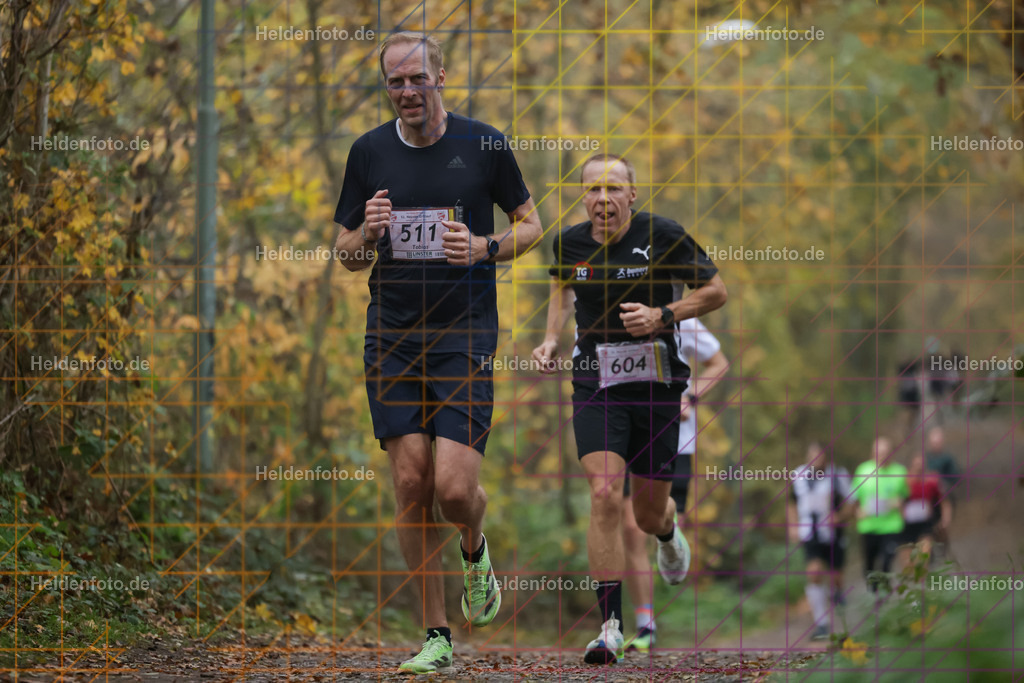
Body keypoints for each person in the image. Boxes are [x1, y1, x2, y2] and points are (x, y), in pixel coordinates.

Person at [333, 31, 542, 674]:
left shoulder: (484, 144)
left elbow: (532, 224)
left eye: (416, 79)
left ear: (441, 76)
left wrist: (486, 249)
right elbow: (343, 254)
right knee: (410, 482)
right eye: (394, 82)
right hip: (392, 336)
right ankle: (436, 634)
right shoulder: (368, 152)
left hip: (465, 335)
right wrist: (365, 233)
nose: (406, 92)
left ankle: (475, 552)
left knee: (453, 491)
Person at [531, 153, 727, 664]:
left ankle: (668, 529)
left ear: (631, 195)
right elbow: (561, 289)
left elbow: (715, 290)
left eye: (613, 189)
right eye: (592, 190)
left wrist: (665, 313)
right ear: (583, 197)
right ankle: (610, 627)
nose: (602, 200)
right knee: (602, 493)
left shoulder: (663, 235)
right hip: (597, 381)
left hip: (658, 387)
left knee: (645, 514)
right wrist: (551, 340)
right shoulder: (568, 245)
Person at [619, 318, 729, 653]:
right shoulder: (618, 317)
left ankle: (668, 536)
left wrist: (690, 396)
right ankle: (645, 625)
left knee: (655, 521)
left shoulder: (682, 318)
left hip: (676, 441)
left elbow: (719, 363)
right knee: (632, 529)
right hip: (632, 438)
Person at [787, 442, 853, 640]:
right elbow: (791, 503)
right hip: (810, 532)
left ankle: (837, 592)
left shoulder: (838, 475)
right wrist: (793, 525)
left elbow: (852, 503)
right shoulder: (798, 475)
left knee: (836, 577)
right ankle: (822, 624)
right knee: (814, 572)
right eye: (813, 456)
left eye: (820, 456)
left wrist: (840, 517)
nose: (816, 460)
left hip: (833, 533)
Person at [850, 437, 908, 594]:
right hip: (869, 526)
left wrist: (900, 503)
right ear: (872, 453)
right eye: (879, 452)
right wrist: (857, 512)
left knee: (886, 560)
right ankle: (872, 592)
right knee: (869, 563)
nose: (882, 456)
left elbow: (905, 497)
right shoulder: (862, 470)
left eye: (885, 452)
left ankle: (884, 591)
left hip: (891, 525)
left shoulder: (900, 472)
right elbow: (853, 498)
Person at [902, 454, 952, 558]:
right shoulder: (905, 481)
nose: (919, 468)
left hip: (925, 523)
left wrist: (945, 519)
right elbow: (898, 501)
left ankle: (940, 554)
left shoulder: (932, 481)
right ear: (911, 466)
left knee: (924, 553)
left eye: (921, 465)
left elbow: (944, 501)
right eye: (916, 465)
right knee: (909, 560)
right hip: (908, 524)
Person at [923, 426, 959, 554]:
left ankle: (943, 549)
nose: (935, 445)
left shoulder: (947, 459)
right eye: (933, 442)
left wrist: (942, 482)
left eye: (937, 442)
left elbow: (955, 478)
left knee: (942, 526)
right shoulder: (924, 458)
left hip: (944, 497)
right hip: (927, 498)